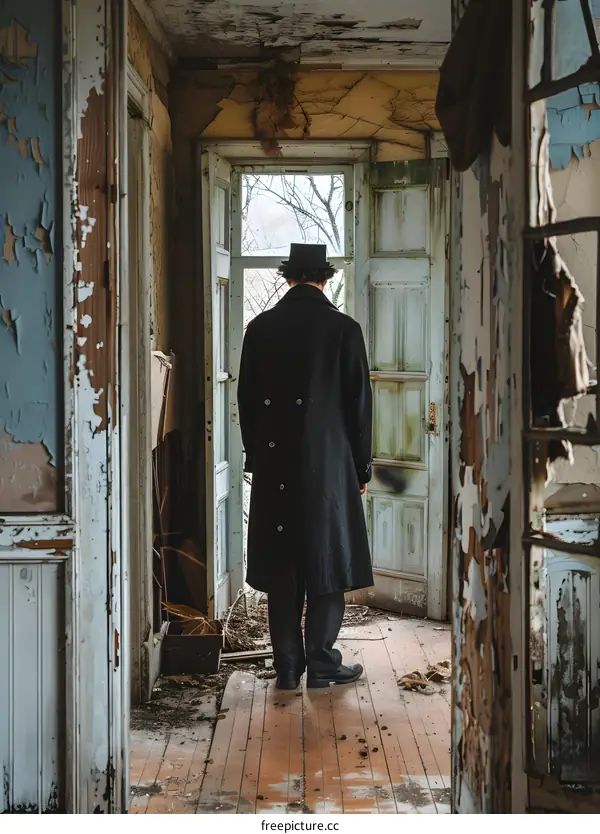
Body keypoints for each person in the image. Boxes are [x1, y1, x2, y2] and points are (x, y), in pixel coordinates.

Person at [237, 243, 373, 690]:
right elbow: (359, 407)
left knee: (283, 566)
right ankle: (322, 663)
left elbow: (246, 402)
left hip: (275, 466)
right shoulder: (345, 330)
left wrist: (257, 457)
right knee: (327, 562)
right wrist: (361, 469)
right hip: (330, 467)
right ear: (325, 279)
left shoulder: (259, 329)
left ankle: (288, 668)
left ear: (287, 278)